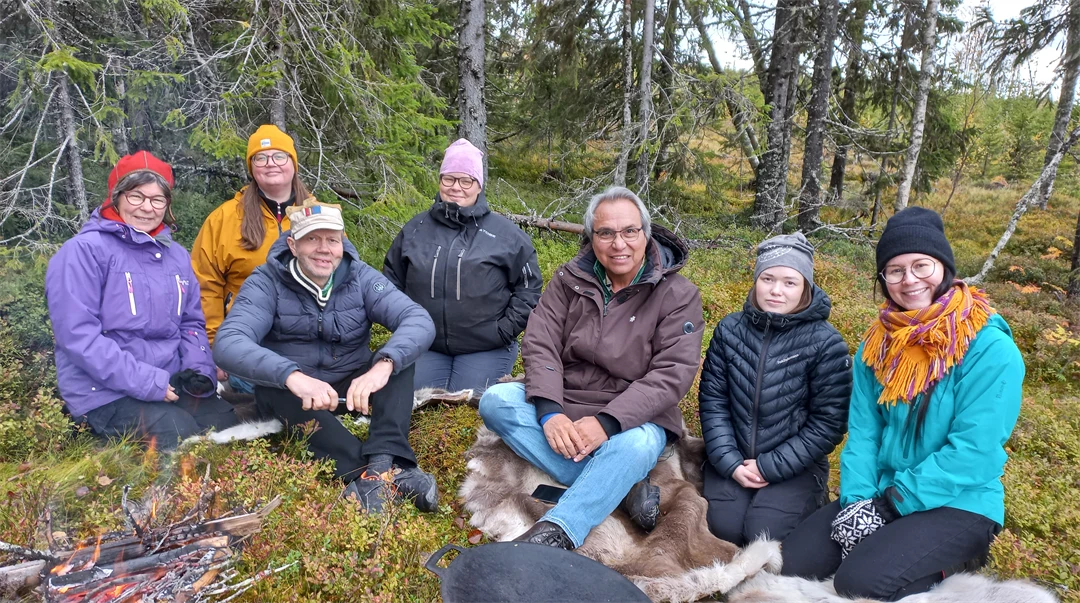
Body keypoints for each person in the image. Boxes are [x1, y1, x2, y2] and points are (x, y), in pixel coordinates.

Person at [781, 207, 1024, 601]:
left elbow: (974, 452)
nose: (909, 279)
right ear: (883, 280)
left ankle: (957, 559)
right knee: (794, 561)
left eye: (921, 266)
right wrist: (858, 503)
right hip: (883, 490)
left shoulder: (990, 349)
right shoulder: (877, 346)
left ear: (944, 267)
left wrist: (889, 508)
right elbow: (865, 432)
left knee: (858, 582)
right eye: (894, 270)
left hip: (961, 501)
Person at [478, 187, 704, 550]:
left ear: (646, 234)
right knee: (495, 402)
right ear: (591, 237)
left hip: (636, 417)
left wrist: (607, 423)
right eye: (606, 233)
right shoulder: (569, 279)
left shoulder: (678, 294)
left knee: (638, 446)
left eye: (629, 231)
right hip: (569, 398)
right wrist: (550, 412)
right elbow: (540, 340)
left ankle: (558, 531)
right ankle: (622, 487)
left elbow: (671, 374)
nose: (619, 243)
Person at [213, 199, 439, 513]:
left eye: (332, 240)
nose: (324, 249)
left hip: (351, 386)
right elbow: (228, 343)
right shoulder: (265, 283)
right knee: (273, 389)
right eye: (312, 239)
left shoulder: (360, 277)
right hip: (297, 395)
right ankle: (366, 471)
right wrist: (292, 376)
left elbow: (417, 319)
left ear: (342, 243)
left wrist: (382, 366)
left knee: (398, 361)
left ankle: (385, 461)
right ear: (293, 245)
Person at [46, 151, 238, 451]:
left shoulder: (177, 257)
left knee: (227, 424)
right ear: (116, 197)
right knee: (179, 435)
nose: (147, 208)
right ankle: (96, 444)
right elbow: (78, 336)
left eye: (158, 199)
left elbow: (190, 323)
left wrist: (199, 371)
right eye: (136, 196)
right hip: (103, 391)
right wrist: (148, 382)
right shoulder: (83, 252)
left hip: (168, 381)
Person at [699, 233, 851, 546]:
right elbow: (714, 402)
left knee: (762, 533)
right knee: (723, 529)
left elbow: (828, 422)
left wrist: (771, 466)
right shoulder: (729, 330)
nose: (776, 290)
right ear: (756, 280)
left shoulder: (826, 343)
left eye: (789, 282)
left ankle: (811, 500)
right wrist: (729, 461)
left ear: (805, 287)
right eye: (767, 279)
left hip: (796, 466)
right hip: (732, 457)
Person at [384, 138, 541, 394]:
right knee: (411, 399)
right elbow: (391, 283)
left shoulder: (507, 235)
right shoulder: (415, 229)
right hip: (426, 346)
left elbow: (529, 289)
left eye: (466, 180)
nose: (456, 187)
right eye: (449, 179)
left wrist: (503, 331)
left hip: (486, 347)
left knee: (470, 399)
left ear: (479, 185)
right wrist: (407, 328)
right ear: (440, 181)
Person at [191, 125, 311, 394]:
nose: (270, 164)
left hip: (307, 340)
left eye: (279, 156)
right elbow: (204, 286)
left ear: (293, 163)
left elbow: (344, 277)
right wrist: (215, 345)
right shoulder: (224, 218)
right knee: (272, 392)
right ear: (252, 167)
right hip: (247, 340)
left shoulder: (318, 215)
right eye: (260, 158)